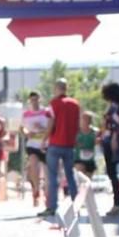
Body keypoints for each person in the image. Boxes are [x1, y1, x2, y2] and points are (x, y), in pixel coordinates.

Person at [39, 78, 81, 217]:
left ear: (56, 88)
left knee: (52, 176)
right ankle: (76, 204)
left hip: (55, 143)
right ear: (66, 88)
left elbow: (51, 123)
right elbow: (77, 125)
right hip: (69, 145)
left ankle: (52, 207)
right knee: (70, 175)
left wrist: (44, 139)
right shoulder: (75, 104)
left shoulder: (54, 104)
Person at [99, 82, 119, 216]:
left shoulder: (116, 107)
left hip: (111, 140)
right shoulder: (117, 106)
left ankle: (118, 203)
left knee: (112, 173)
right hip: (108, 139)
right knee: (112, 173)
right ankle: (117, 202)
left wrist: (113, 139)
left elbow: (117, 125)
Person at [21, 91, 52, 207]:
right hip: (32, 145)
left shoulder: (46, 112)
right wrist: (27, 133)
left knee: (47, 173)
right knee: (33, 166)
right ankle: (36, 189)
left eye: (36, 99)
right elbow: (22, 128)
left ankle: (47, 196)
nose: (34, 102)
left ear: (40, 99)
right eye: (32, 100)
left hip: (46, 145)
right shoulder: (26, 114)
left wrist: (43, 128)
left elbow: (52, 126)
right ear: (30, 101)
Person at [74, 111, 98, 177]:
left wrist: (97, 141)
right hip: (79, 159)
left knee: (88, 182)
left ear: (90, 120)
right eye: (82, 118)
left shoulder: (95, 132)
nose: (83, 120)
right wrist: (76, 143)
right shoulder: (76, 131)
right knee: (82, 179)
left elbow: (97, 144)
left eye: (86, 118)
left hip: (90, 160)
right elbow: (71, 143)